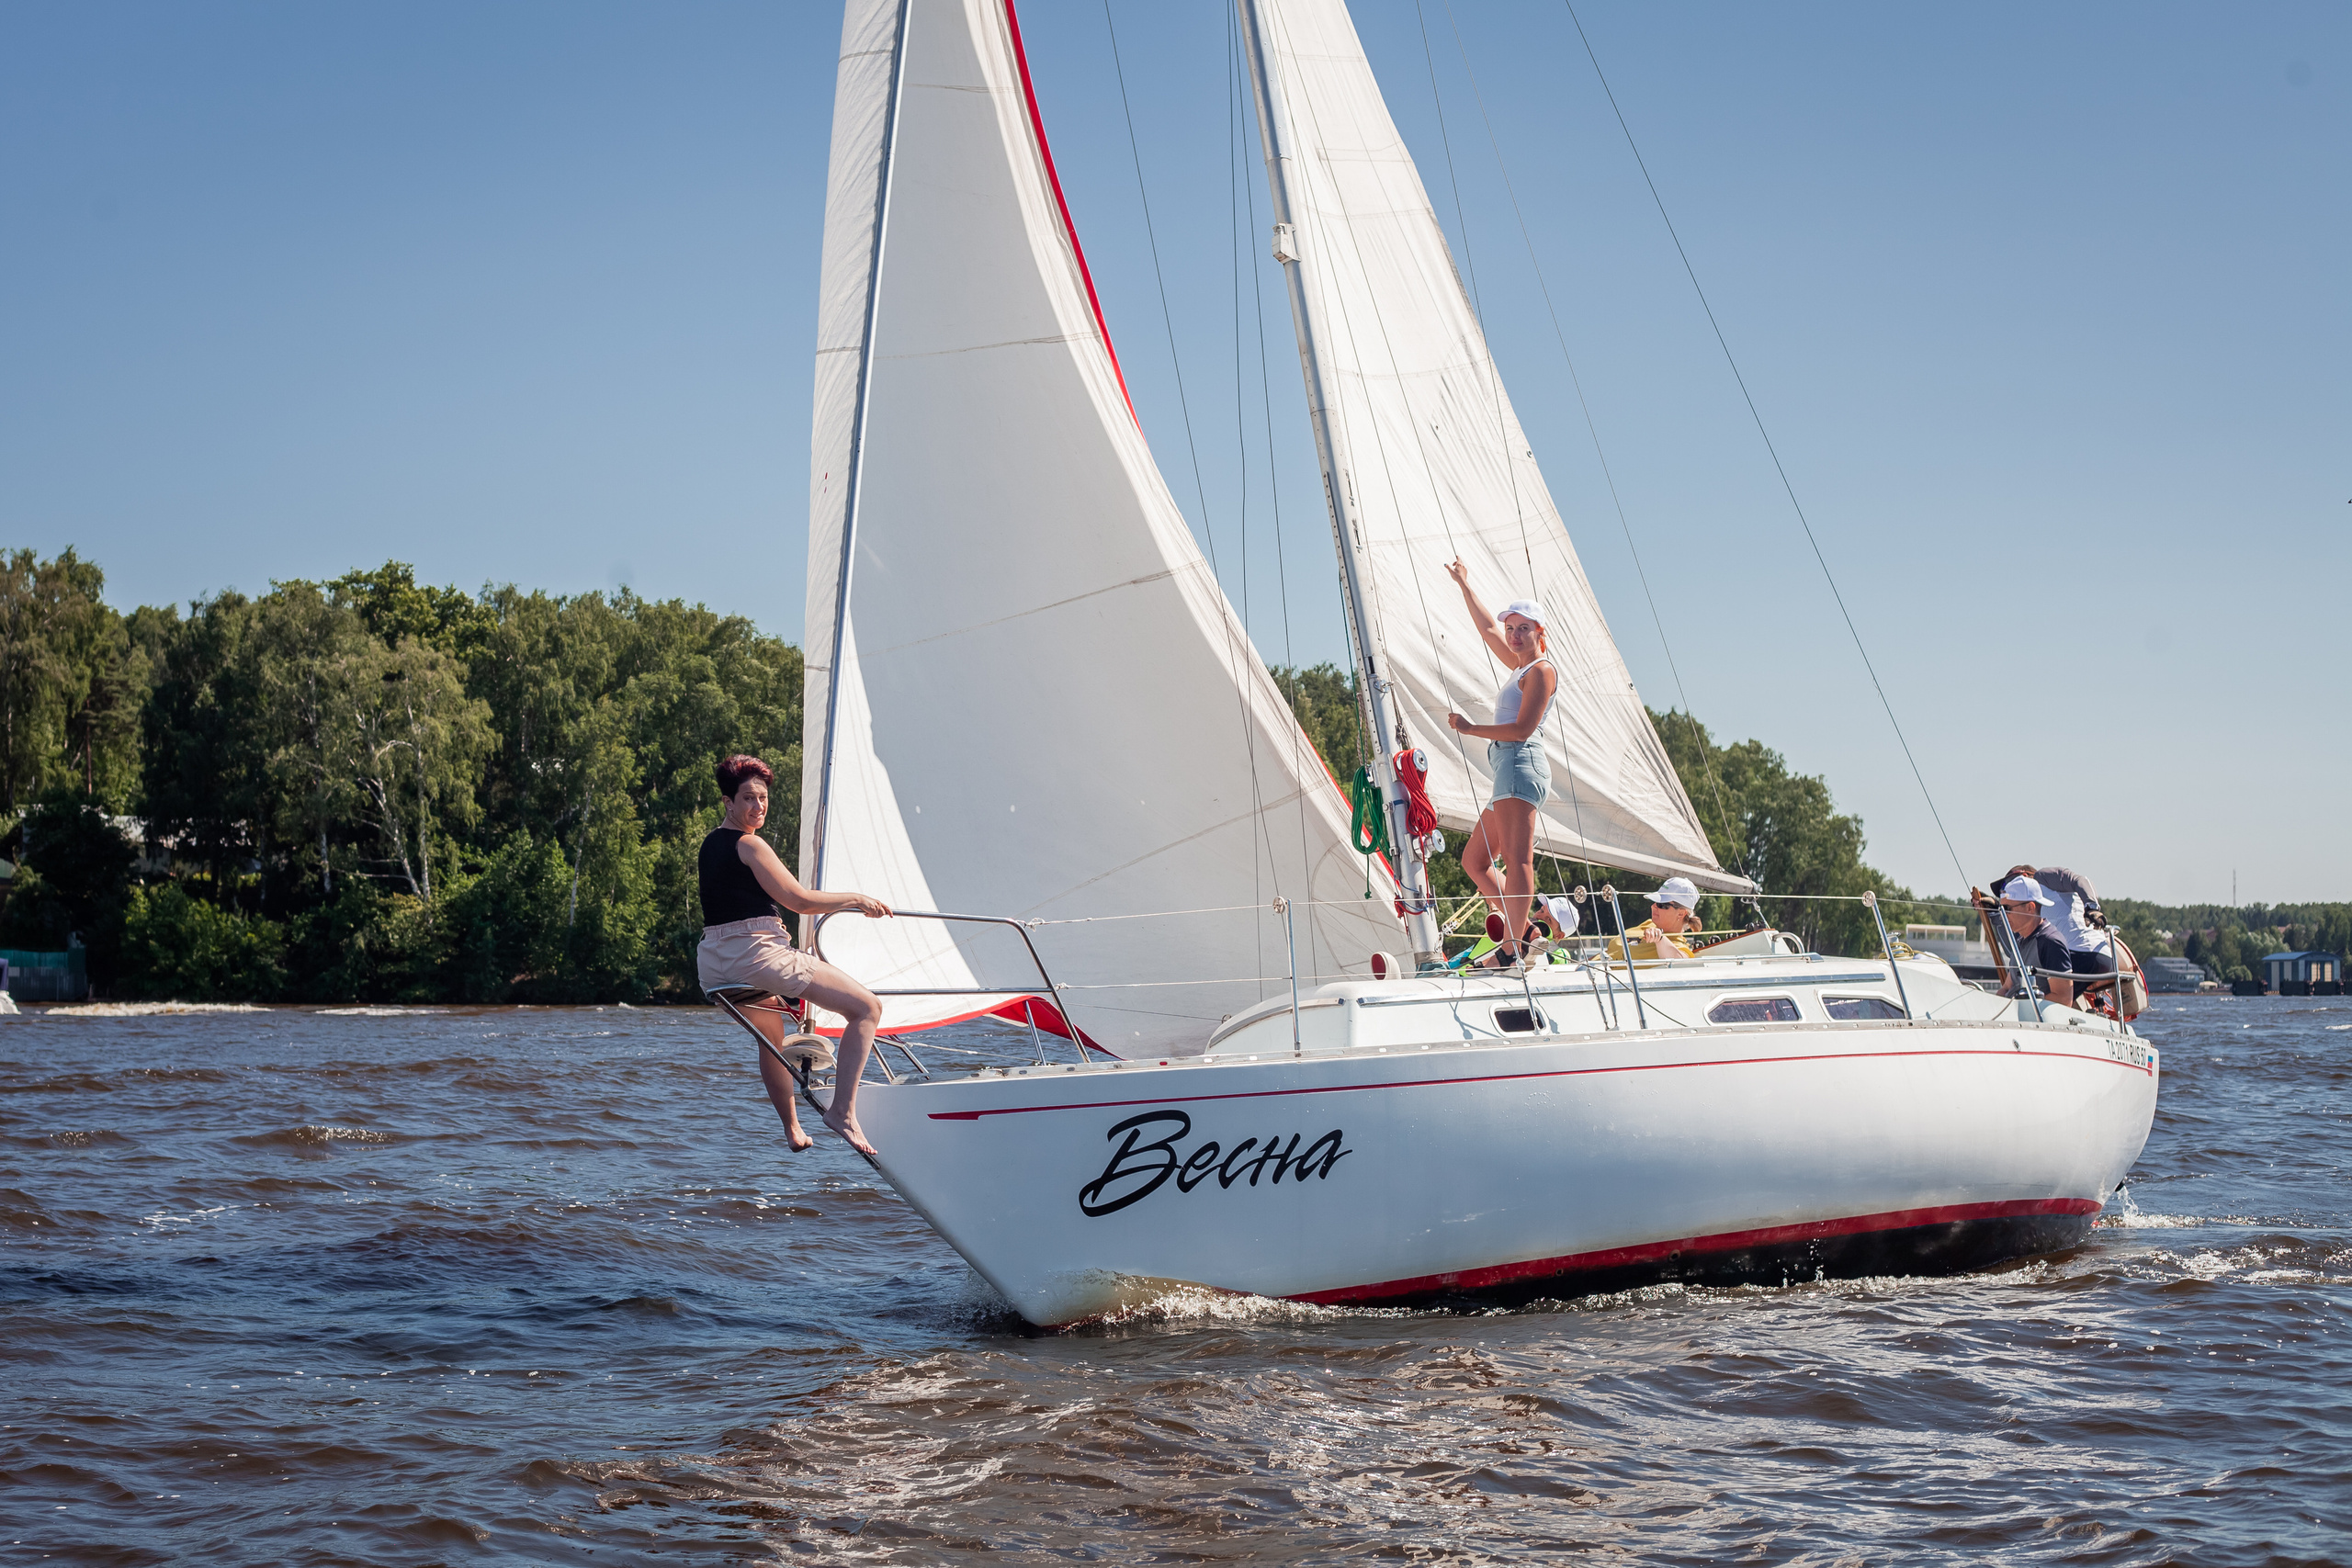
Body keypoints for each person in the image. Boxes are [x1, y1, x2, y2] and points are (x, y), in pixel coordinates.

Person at [698, 753, 893, 1156]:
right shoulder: (749, 844)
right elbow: (801, 901)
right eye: (749, 798)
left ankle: (792, 1129)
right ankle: (843, 1111)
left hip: (715, 968)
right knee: (866, 1009)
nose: (758, 806)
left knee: (772, 1037)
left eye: (764, 798)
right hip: (757, 957)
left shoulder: (710, 844)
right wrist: (857, 899)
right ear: (728, 803)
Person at [1442, 559, 1560, 964]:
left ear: (1540, 633)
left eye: (1523, 628)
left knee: (1517, 859)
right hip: (1506, 768)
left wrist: (1472, 729)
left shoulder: (1541, 671)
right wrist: (1464, 584)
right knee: (1474, 860)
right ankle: (1524, 930)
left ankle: (1511, 948)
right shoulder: (1519, 666)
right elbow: (1486, 629)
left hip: (1519, 763)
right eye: (1511, 628)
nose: (1513, 635)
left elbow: (1523, 729)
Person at [1997, 863, 2115, 993]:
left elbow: (2082, 881)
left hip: (2077, 952)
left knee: (2039, 993)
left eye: (2009, 882)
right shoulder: (2028, 916)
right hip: (2100, 955)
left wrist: (2092, 907)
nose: (2007, 888)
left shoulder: (2042, 877)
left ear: (2025, 875)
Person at [1987, 874, 2078, 1007]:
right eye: (2001, 909)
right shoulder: (2019, 940)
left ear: (2030, 907)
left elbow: (2063, 998)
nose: (2003, 915)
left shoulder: (2050, 942)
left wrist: (2019, 1008)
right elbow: (2007, 988)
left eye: (2007, 909)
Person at [1609, 876, 1703, 963]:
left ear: (1681, 913)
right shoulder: (1649, 924)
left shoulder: (1679, 946)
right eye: (1656, 901)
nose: (1653, 907)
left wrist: (1660, 939)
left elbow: (1679, 963)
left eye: (1662, 905)